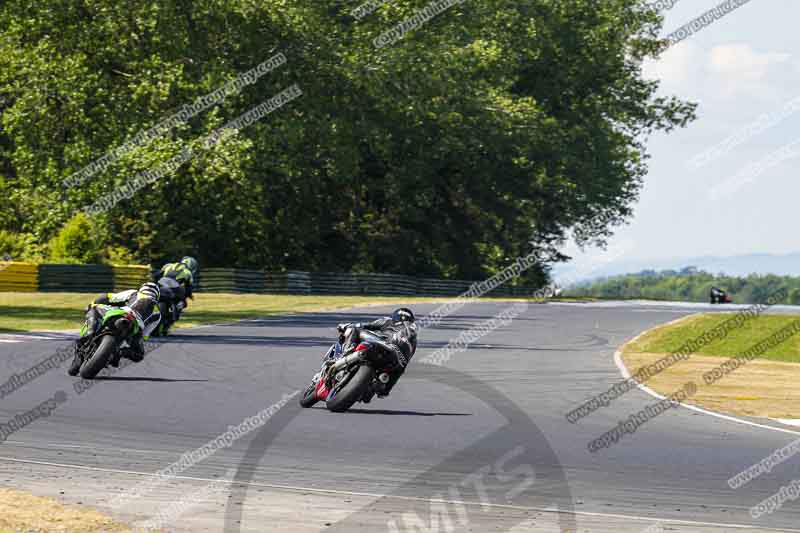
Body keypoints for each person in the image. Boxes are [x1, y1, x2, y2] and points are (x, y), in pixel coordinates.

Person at [71, 282, 162, 374]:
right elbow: (145, 335)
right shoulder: (158, 313)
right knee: (139, 355)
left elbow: (110, 297)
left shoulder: (134, 293)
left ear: (143, 288)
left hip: (120, 313)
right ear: (157, 295)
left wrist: (93, 303)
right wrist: (136, 340)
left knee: (94, 308)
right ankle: (119, 353)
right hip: (135, 328)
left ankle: (89, 333)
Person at [336, 307, 417, 399]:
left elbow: (364, 326)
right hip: (393, 357)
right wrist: (386, 389)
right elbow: (405, 362)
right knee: (400, 368)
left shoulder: (387, 321)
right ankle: (383, 386)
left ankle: (347, 352)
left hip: (378, 342)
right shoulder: (412, 336)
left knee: (355, 329)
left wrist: (346, 326)